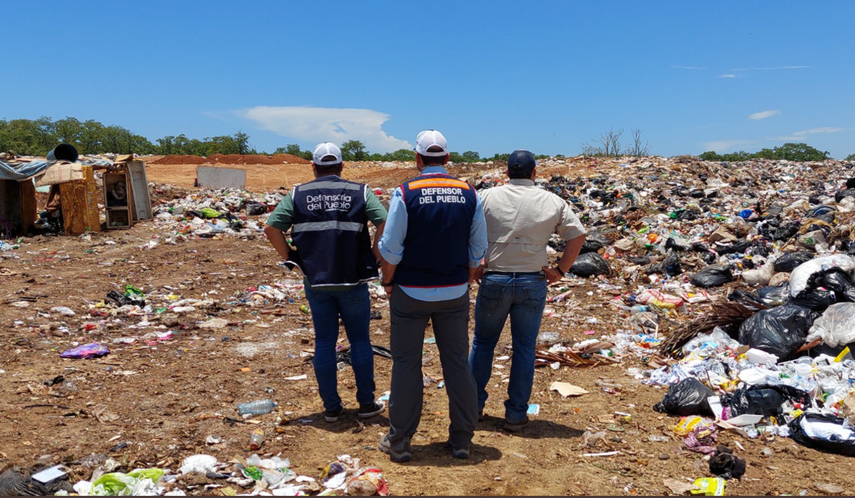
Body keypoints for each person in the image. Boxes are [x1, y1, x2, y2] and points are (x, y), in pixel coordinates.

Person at [377, 130, 488, 462]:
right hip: (454, 292)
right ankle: (462, 440)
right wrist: (467, 280)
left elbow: (391, 247)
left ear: (418, 159)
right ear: (448, 159)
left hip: (410, 291)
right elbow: (479, 248)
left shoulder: (405, 192)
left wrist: (387, 281)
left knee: (406, 364)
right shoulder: (469, 193)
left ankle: (399, 441)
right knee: (456, 363)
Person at [264, 142, 387, 423]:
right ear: (342, 166)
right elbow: (385, 223)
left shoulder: (297, 194)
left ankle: (331, 408)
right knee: (360, 341)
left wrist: (293, 260)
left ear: (314, 167)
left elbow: (271, 228)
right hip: (353, 280)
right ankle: (367, 404)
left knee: (324, 343)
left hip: (317, 283)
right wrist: (375, 256)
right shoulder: (360, 192)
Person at [469, 149, 586, 431]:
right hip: (532, 282)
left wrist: (475, 265)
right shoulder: (552, 201)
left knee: (483, 344)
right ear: (535, 173)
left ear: (507, 172)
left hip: (494, 279)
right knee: (524, 348)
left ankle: (472, 408)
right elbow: (577, 235)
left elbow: (466, 232)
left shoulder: (486, 197)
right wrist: (559, 271)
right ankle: (516, 414)